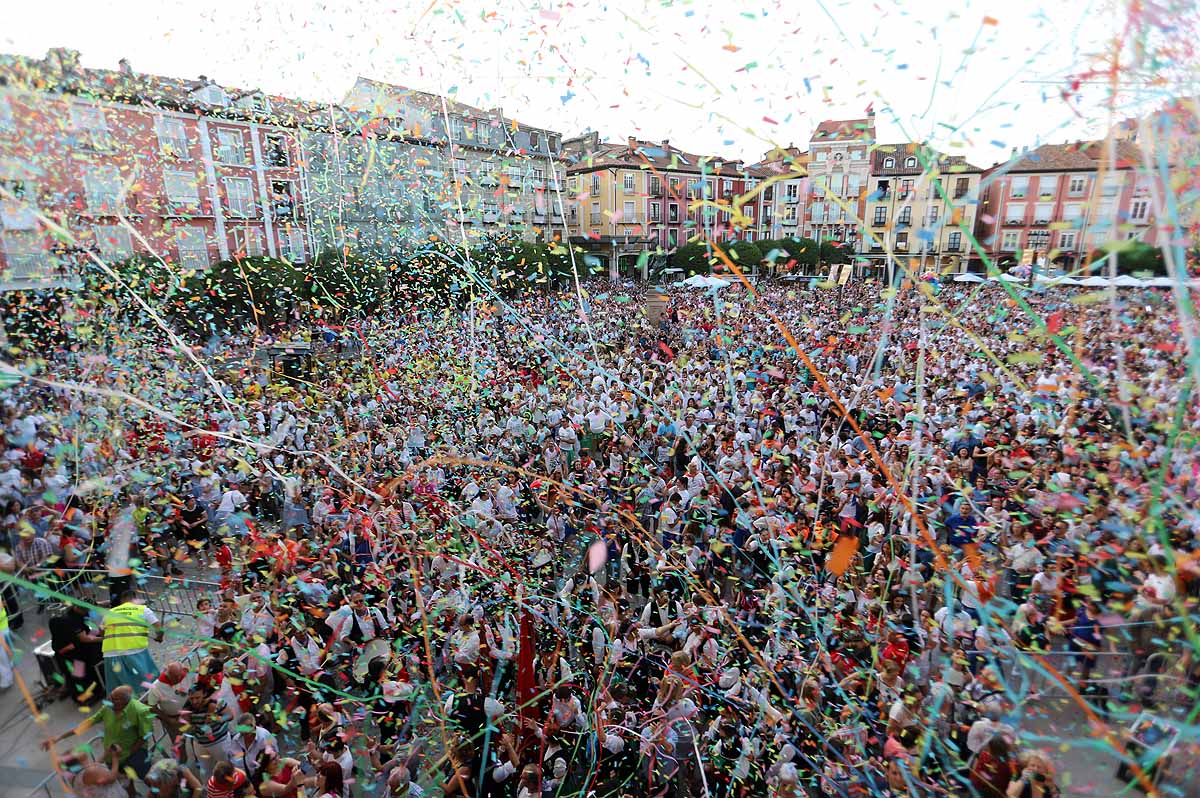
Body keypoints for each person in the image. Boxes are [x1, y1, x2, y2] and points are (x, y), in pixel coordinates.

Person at [43, 685, 155, 781]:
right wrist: (59, 737)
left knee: (148, 779)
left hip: (135, 756)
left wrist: (128, 753)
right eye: (110, 696)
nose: (109, 700)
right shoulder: (107, 708)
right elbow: (86, 724)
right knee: (126, 785)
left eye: (114, 699)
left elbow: (144, 736)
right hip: (111, 757)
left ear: (125, 702)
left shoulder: (140, 711)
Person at [101, 589, 163, 691]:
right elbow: (159, 628)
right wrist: (159, 637)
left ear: (121, 601)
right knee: (147, 684)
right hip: (134, 651)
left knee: (119, 688)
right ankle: (148, 703)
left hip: (110, 655)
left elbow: (102, 632)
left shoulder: (109, 612)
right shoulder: (142, 610)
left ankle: (127, 705)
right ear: (135, 599)